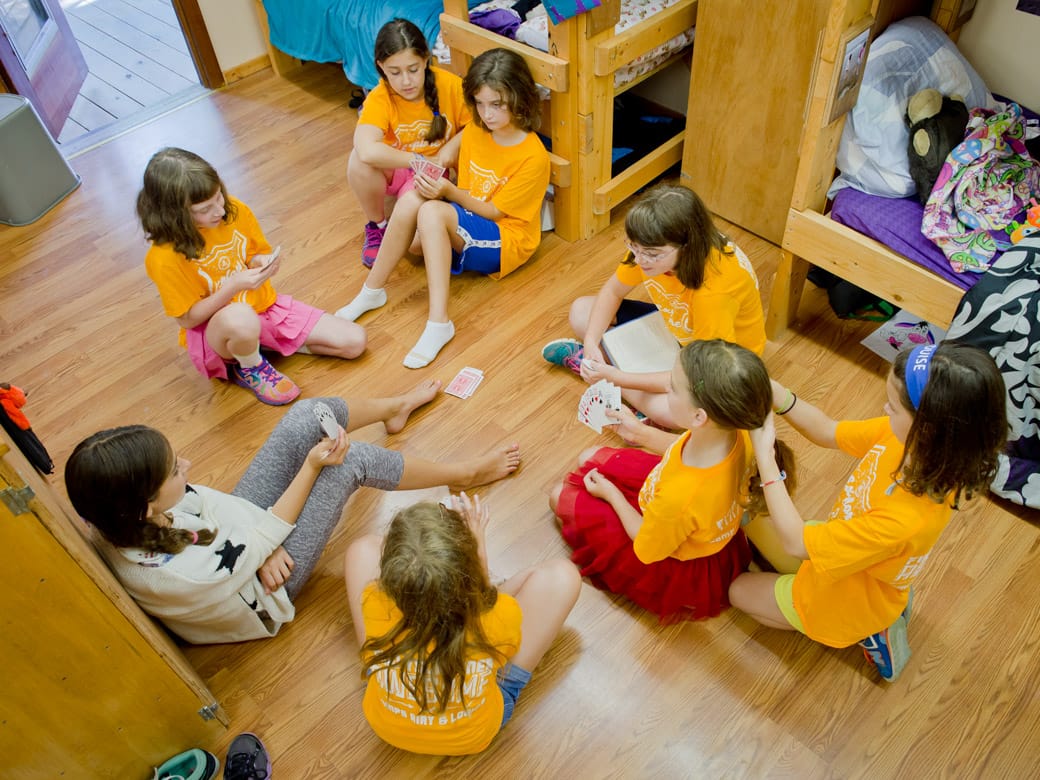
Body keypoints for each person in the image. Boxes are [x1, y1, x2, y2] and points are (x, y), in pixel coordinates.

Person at [65, 383, 522, 644]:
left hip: (243, 547)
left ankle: (394, 406)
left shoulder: (119, 510)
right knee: (350, 463)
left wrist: (252, 544)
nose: (185, 466)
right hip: (265, 591)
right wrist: (304, 475)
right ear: (147, 507)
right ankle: (463, 473)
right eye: (172, 470)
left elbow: (211, 502)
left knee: (307, 416)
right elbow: (240, 537)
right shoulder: (182, 574)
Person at [729, 342, 1007, 682]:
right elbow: (828, 431)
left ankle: (872, 630)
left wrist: (765, 457)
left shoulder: (904, 520)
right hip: (855, 555)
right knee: (766, 533)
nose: (884, 408)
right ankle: (888, 606)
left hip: (845, 602)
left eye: (892, 405)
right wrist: (779, 394)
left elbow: (796, 543)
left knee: (737, 591)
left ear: (928, 427)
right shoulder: (916, 442)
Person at [548, 339, 792, 623]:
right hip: (681, 504)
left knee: (558, 496)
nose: (666, 388)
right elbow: (682, 451)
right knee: (589, 456)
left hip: (664, 541)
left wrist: (611, 494)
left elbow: (645, 545)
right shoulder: (739, 431)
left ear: (699, 416)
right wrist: (641, 433)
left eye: (673, 387)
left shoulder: (681, 497)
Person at [337, 47, 551, 369]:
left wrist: (448, 191)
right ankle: (372, 290)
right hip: (469, 214)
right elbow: (446, 155)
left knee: (431, 213)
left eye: (496, 105)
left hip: (505, 237)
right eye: (479, 104)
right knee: (412, 203)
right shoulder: (479, 128)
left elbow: (494, 212)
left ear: (519, 99)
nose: (487, 113)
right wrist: (434, 170)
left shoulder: (533, 156)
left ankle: (439, 323)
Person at [344, 493, 580, 755]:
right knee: (563, 575)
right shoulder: (498, 616)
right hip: (473, 735)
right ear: (468, 569)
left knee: (362, 548)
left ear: (389, 576)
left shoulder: (374, 601)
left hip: (385, 724)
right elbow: (491, 620)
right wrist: (477, 540)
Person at [137, 147, 366, 406]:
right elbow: (188, 320)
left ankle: (257, 344)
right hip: (219, 330)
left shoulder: (234, 209)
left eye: (218, 198)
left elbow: (254, 253)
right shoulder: (163, 257)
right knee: (241, 316)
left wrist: (262, 262)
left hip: (264, 308)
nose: (220, 211)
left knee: (354, 342)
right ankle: (250, 366)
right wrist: (233, 287)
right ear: (175, 214)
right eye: (205, 208)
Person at [541, 184, 766, 428]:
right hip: (680, 332)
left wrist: (616, 377)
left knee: (680, 416)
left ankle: (605, 377)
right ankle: (619, 384)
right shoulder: (653, 245)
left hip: (716, 365)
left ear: (687, 246)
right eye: (633, 247)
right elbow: (613, 290)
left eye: (651, 254)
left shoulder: (715, 293)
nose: (639, 260)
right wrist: (591, 341)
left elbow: (698, 374)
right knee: (581, 312)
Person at [348, 19, 472, 268]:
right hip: (400, 167)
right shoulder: (380, 97)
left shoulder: (449, 86)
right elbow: (367, 149)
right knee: (357, 161)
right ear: (381, 68)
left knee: (415, 247)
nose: (406, 81)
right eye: (395, 72)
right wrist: (415, 160)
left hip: (433, 172)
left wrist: (448, 149)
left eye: (413, 69)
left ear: (426, 60)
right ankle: (377, 226)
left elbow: (477, 127)